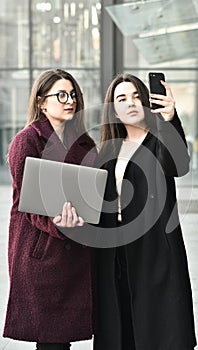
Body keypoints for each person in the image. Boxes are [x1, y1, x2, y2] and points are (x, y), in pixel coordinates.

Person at [94, 73, 197, 350]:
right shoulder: (108, 150)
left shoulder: (158, 141)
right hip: (115, 253)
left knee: (159, 331)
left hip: (155, 252)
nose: (131, 103)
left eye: (137, 96)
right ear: (113, 108)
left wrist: (169, 120)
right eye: (122, 98)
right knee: (121, 327)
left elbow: (179, 165)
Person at [3, 69, 97, 350]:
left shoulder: (83, 142)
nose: (70, 101)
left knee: (62, 339)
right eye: (62, 95)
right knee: (51, 342)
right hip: (41, 253)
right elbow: (29, 203)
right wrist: (61, 224)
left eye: (73, 95)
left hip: (78, 248)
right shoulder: (27, 141)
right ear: (42, 102)